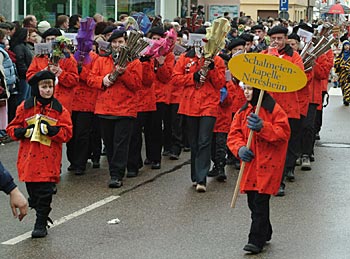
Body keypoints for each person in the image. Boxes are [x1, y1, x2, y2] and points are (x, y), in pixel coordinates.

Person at [7, 70, 73, 238]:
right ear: (37, 88)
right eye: (44, 86)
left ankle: (41, 223)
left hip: (49, 159)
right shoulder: (25, 107)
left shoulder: (59, 109)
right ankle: (39, 208)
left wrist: (53, 131)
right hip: (28, 159)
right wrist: (23, 132)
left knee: (45, 193)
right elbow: (12, 128)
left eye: (50, 86)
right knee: (34, 194)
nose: (48, 90)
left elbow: (67, 133)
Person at [227, 85, 290, 254]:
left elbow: (283, 133)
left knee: (260, 202)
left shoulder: (274, 109)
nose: (246, 92)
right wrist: (239, 148)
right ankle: (266, 229)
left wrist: (263, 127)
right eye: (244, 88)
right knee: (252, 202)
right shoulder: (243, 111)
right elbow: (234, 134)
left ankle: (255, 240)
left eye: (250, 89)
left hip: (268, 164)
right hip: (250, 166)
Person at [173, 27, 226, 192]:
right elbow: (175, 79)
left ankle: (202, 178)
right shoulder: (184, 58)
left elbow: (220, 84)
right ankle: (196, 176)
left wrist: (211, 70)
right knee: (194, 142)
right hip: (190, 105)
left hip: (208, 105)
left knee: (204, 141)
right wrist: (192, 77)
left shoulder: (217, 60)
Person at [88, 30, 143, 188]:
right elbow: (91, 78)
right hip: (105, 108)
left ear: (126, 43)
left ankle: (116, 174)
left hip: (125, 109)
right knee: (110, 143)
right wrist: (103, 80)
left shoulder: (134, 62)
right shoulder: (101, 60)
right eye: (114, 42)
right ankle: (115, 169)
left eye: (120, 42)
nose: (117, 45)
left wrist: (123, 73)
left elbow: (136, 85)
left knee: (121, 143)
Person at [261, 26, 304, 196]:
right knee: (268, 145)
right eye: (274, 39)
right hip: (268, 107)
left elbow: (299, 79)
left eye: (280, 39)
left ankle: (280, 180)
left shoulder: (295, 57)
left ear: (286, 39)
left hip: (288, 107)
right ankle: (270, 179)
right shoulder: (265, 54)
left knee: (283, 145)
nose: (277, 42)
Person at [334, 40, 350, 106]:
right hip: (342, 74)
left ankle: (347, 99)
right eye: (345, 45)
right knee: (343, 86)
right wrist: (338, 67)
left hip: (349, 73)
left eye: (348, 45)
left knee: (348, 86)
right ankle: (344, 97)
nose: (347, 47)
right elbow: (336, 63)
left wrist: (347, 67)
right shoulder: (341, 55)